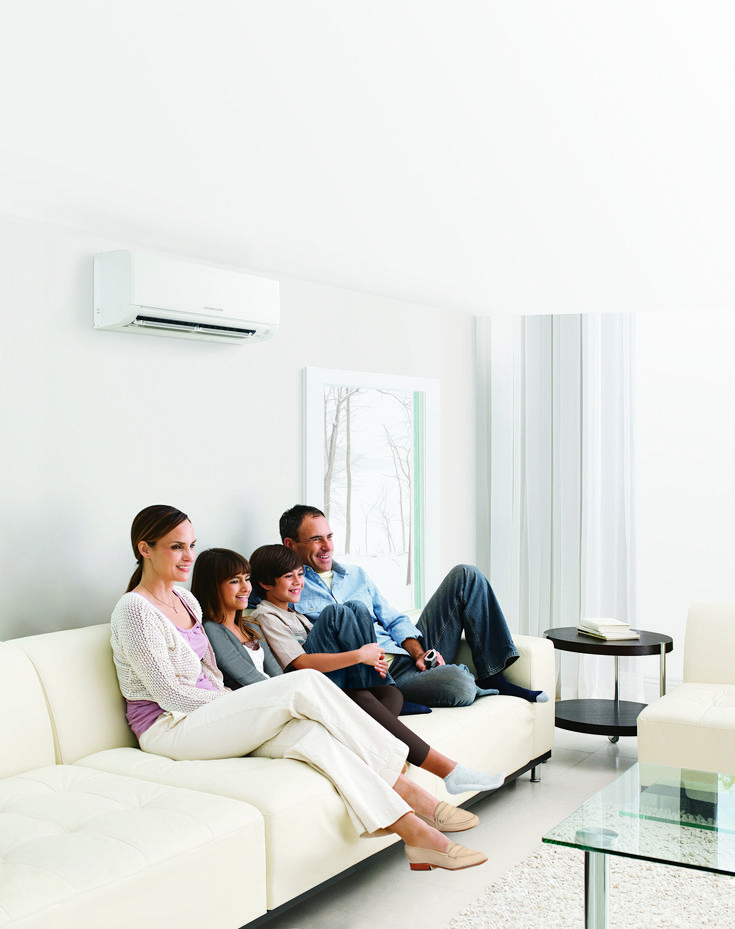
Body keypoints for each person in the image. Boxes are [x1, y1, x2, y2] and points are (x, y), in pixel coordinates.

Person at [110, 504, 487, 872]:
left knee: (316, 737)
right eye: (177, 546)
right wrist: (240, 701)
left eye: (191, 545)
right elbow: (170, 695)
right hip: (169, 728)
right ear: (145, 549)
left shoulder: (184, 599)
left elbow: (207, 670)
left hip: (208, 717)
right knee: (302, 683)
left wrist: (239, 704)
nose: (188, 555)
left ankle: (419, 836)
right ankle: (434, 778)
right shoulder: (135, 609)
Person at [243, 543, 505, 796]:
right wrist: (360, 655)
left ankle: (372, 742)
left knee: (392, 694)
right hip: (313, 688)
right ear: (265, 584)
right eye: (288, 577)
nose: (298, 582)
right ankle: (450, 772)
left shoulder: (296, 614)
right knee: (338, 613)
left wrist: (370, 659)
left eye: (300, 574)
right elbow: (300, 664)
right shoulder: (266, 616)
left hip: (338, 680)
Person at [279, 505, 550, 710]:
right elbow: (246, 598)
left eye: (329, 536)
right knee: (462, 686)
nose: (327, 547)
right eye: (316, 539)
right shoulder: (284, 587)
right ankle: (393, 697)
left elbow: (394, 620)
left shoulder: (356, 574)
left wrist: (420, 653)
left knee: (466, 575)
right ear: (290, 545)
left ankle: (493, 676)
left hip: (407, 656)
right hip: (377, 674)